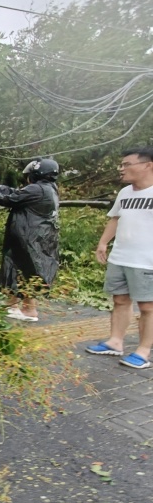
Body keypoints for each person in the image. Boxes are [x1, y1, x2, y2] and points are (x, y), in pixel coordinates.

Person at [85, 147, 153, 371]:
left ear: (147, 165)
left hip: (146, 261)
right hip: (121, 257)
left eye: (126, 164)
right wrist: (103, 243)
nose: (121, 169)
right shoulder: (125, 193)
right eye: (121, 165)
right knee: (120, 300)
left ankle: (143, 351)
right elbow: (115, 218)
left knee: (147, 307)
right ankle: (115, 342)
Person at [0, 158, 60, 322]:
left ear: (36, 174)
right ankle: (13, 304)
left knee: (24, 270)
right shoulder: (47, 188)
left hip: (30, 238)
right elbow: (16, 193)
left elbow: (10, 199)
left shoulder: (39, 189)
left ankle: (26, 309)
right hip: (35, 237)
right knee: (23, 270)